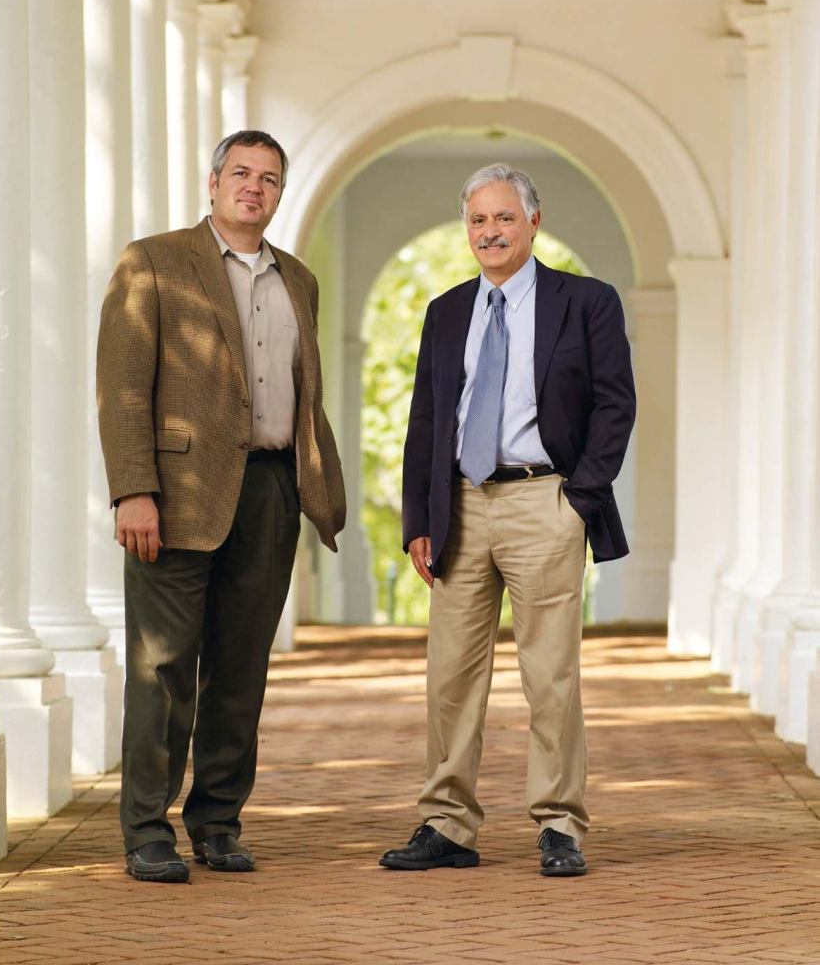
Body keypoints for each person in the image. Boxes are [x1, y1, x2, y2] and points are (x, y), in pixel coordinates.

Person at [97, 130, 345, 883]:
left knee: (240, 671)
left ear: (278, 194)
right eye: (241, 173)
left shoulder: (298, 279)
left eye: (269, 178)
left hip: (269, 491)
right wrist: (132, 489)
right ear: (212, 183)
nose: (254, 187)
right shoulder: (154, 261)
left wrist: (317, 487)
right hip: (177, 496)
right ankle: (146, 829)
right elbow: (122, 387)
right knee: (162, 667)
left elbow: (304, 396)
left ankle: (217, 822)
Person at [379, 163, 635, 877]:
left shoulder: (585, 302)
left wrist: (576, 500)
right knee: (449, 677)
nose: (489, 232)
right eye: (477, 221)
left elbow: (616, 406)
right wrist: (420, 518)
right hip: (459, 505)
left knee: (550, 674)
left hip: (542, 500)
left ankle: (559, 824)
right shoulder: (447, 311)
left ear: (533, 222)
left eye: (502, 219)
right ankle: (448, 823)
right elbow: (426, 420)